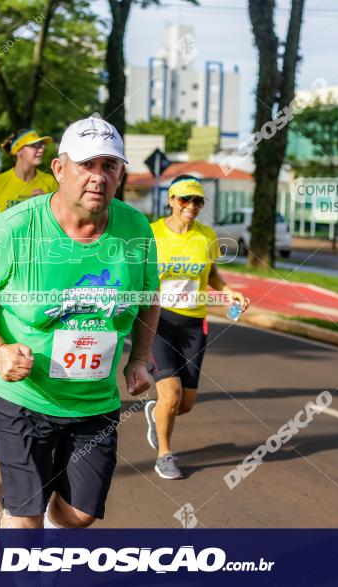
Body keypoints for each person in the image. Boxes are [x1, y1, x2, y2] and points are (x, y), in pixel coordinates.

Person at [0, 116, 160, 529]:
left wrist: (141, 358)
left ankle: (30, 508)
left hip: (94, 400)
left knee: (78, 515)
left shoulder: (136, 229)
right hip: (22, 396)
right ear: (60, 170)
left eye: (109, 166)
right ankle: (22, 519)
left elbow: (148, 296)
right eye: (87, 165)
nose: (98, 177)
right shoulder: (14, 228)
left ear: (120, 174)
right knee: (25, 518)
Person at [144, 175, 249, 480]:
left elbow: (211, 272)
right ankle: (164, 454)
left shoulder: (206, 236)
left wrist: (227, 291)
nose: (191, 206)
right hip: (159, 320)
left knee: (185, 404)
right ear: (171, 200)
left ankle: (157, 413)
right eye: (184, 199)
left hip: (193, 324)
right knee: (171, 394)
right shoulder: (151, 234)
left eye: (198, 201)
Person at [0, 129, 58, 227]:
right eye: (35, 146)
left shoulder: (50, 181)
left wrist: (47, 204)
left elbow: (64, 216)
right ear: (19, 151)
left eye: (41, 145)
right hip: (9, 242)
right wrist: (3, 230)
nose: (41, 149)